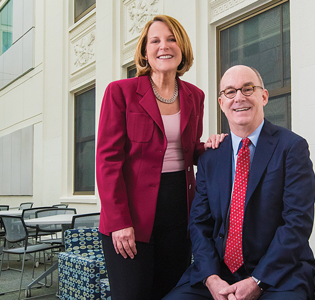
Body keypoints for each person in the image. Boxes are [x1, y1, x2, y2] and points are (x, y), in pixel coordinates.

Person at [96, 15, 225, 300]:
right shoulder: (121, 92)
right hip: (130, 217)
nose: (163, 46)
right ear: (144, 51)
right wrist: (118, 222)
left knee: (171, 294)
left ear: (182, 48)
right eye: (155, 41)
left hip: (179, 215)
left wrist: (213, 145)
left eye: (171, 39)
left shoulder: (196, 96)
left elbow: (189, 151)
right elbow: (107, 161)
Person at [163, 65, 315, 300]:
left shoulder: (291, 148)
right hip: (218, 275)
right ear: (221, 102)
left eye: (248, 89)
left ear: (263, 96)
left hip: (280, 274)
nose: (239, 98)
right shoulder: (210, 158)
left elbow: (297, 223)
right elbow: (199, 224)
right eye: (230, 92)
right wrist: (212, 279)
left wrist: (258, 281)